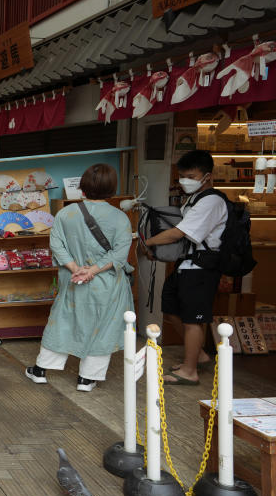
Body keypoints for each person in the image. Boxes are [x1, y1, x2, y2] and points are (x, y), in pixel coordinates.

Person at [25, 164, 134, 392]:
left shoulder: (66, 213)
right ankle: (87, 378)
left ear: (82, 189)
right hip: (106, 282)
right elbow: (119, 254)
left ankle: (41, 369)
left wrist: (76, 268)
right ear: (112, 189)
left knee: (63, 321)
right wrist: (92, 270)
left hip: (72, 279)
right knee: (102, 327)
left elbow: (56, 244)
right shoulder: (120, 218)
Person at [141, 150, 227, 386]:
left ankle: (190, 371)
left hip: (201, 269)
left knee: (193, 319)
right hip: (185, 265)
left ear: (207, 176)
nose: (185, 181)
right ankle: (197, 354)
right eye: (182, 176)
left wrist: (146, 241)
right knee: (170, 310)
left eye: (191, 176)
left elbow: (179, 233)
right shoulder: (194, 199)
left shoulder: (211, 201)